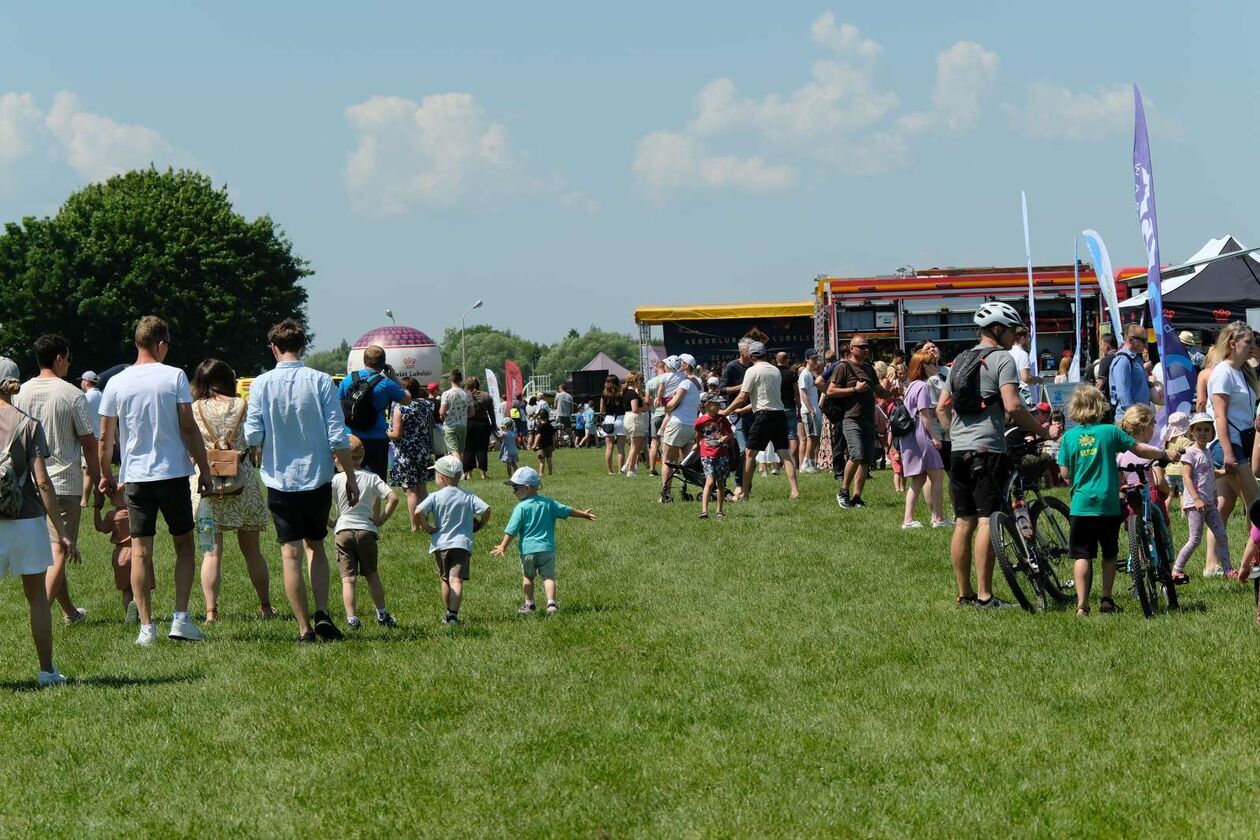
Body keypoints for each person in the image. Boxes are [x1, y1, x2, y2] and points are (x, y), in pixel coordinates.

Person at [98, 316, 213, 646]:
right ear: (160, 345)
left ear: (137, 342)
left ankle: (146, 628)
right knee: (184, 546)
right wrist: (204, 469)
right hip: (173, 472)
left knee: (140, 550)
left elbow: (106, 437)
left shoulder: (117, 382)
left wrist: (105, 474)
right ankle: (181, 618)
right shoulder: (174, 375)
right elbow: (189, 427)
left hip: (135, 477)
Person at [244, 318, 357, 644]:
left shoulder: (261, 384)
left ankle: (304, 627)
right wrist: (350, 477)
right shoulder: (322, 381)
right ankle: (322, 612)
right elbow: (338, 436)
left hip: (279, 478)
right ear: (303, 346)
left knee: (289, 554)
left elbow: (253, 433)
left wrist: (260, 448)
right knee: (316, 547)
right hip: (318, 476)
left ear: (273, 348)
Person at [936, 303, 1047, 608]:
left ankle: (965, 594)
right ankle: (985, 596)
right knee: (987, 520)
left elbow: (941, 407)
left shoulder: (959, 359)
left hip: (959, 450)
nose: (1015, 336)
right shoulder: (1003, 359)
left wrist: (954, 435)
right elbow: (1013, 406)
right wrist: (1043, 431)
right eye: (1012, 330)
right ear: (998, 330)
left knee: (963, 521)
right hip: (988, 450)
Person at [1058, 386, 1176, 615]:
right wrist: (1163, 454)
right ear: (1099, 407)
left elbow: (1064, 474)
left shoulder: (1068, 438)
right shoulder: (1110, 432)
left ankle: (1082, 605)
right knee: (1109, 554)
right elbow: (1139, 449)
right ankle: (1106, 599)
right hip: (1108, 503)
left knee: (1082, 555)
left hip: (1081, 506)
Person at [15, 334, 99, 625]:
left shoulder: (20, 393)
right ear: (60, 358)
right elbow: (90, 443)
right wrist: (99, 478)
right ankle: (42, 614)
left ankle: (70, 612)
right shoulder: (72, 394)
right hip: (63, 482)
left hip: (27, 485)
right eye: (69, 358)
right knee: (60, 549)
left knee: (51, 551)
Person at [0, 356, 73, 686]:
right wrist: (62, 531)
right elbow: (42, 482)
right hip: (26, 520)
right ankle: (46, 671)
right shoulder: (28, 424)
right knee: (37, 600)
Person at [189, 359, 274, 622]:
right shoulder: (242, 405)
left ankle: (211, 611)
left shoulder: (194, 409)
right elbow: (254, 438)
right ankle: (265, 605)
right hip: (243, 482)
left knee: (211, 552)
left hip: (206, 484)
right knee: (252, 551)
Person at [491, 466, 595, 615]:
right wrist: (583, 514)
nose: (513, 491)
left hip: (528, 551)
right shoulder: (548, 503)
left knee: (528, 577)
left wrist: (503, 546)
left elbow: (511, 530)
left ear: (526, 487)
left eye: (515, 488)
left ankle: (529, 605)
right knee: (548, 577)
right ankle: (552, 604)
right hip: (547, 549)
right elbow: (567, 510)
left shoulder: (520, 507)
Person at [332, 435, 399, 629]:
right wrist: (380, 520)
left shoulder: (336, 479)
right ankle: (382, 614)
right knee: (372, 575)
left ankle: (352, 619)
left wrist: (331, 522)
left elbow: (321, 505)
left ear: (341, 457)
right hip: (366, 530)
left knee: (348, 579)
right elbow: (393, 498)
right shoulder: (372, 478)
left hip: (343, 530)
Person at [721, 341, 800, 500]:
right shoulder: (775, 371)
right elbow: (765, 398)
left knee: (750, 454)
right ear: (765, 354)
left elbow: (742, 396)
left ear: (750, 356)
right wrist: (743, 410)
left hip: (763, 416)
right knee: (784, 454)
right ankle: (795, 491)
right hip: (779, 414)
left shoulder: (752, 370)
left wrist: (725, 411)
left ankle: (743, 493)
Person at [419, 454, 492, 625]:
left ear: (442, 478)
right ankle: (453, 614)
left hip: (441, 545)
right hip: (462, 544)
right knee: (456, 579)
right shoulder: (468, 495)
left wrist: (427, 526)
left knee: (445, 578)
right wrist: (480, 524)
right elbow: (486, 509)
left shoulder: (435, 496)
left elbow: (417, 512)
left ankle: (448, 612)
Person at [827, 336, 891, 509]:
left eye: (867, 347)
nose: (866, 349)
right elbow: (830, 390)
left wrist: (892, 392)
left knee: (866, 460)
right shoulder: (843, 367)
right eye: (862, 347)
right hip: (851, 418)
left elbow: (879, 392)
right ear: (852, 348)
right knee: (856, 454)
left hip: (868, 419)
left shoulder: (868, 368)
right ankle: (843, 491)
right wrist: (854, 389)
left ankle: (857, 497)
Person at [1208, 322, 1259, 527]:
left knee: (1225, 505)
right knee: (1255, 502)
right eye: (1248, 342)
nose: (1252, 346)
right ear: (1232, 343)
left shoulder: (1242, 371)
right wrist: (1229, 454)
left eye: (1254, 342)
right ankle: (1255, 557)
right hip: (1227, 445)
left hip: (1240, 442)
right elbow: (1220, 416)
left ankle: (1213, 559)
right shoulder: (1223, 373)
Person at [1172, 412, 1232, 584]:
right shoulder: (1189, 453)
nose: (1203, 433)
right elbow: (1187, 478)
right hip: (1195, 504)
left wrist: (1225, 472)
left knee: (1221, 535)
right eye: (1198, 430)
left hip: (1210, 504)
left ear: (1212, 432)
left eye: (1206, 430)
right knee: (1195, 540)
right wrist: (1196, 499)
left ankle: (1228, 570)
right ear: (1191, 432)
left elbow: (1209, 474)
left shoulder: (1207, 452)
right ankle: (1177, 570)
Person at [338, 345, 410, 478]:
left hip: (351, 438)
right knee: (376, 483)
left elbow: (339, 406)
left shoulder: (348, 379)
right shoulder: (386, 383)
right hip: (376, 438)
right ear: (383, 364)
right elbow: (407, 399)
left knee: (351, 479)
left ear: (364, 360)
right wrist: (393, 377)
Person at [899, 350, 948, 529]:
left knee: (918, 479)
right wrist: (935, 437)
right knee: (936, 475)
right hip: (921, 434)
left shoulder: (912, 385)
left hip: (910, 437)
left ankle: (908, 519)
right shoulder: (923, 386)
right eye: (933, 364)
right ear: (925, 367)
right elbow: (924, 413)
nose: (936, 367)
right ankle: (938, 518)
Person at [94, 484, 149, 623]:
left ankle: (129, 616)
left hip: (121, 554)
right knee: (141, 585)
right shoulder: (136, 511)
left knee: (126, 589)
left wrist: (96, 508)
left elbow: (99, 527)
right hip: (138, 550)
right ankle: (140, 609)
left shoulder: (113, 516)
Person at [388, 377, 435, 531]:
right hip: (423, 450)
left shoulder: (400, 407)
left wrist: (386, 432)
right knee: (422, 488)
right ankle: (424, 522)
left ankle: (415, 526)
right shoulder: (427, 405)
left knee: (410, 491)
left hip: (406, 453)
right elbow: (429, 427)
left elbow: (397, 434)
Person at [658, 356, 702, 502]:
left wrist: (666, 406)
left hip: (677, 424)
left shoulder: (684, 383)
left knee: (668, 460)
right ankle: (684, 491)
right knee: (685, 463)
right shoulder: (696, 383)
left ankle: (666, 494)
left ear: (685, 365)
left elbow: (673, 403)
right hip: (691, 425)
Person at [1109, 323, 1161, 419]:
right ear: (1131, 340)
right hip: (1130, 419)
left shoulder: (1136, 358)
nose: (1145, 344)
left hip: (1140, 416)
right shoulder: (1123, 360)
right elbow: (1123, 394)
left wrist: (1148, 384)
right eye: (1143, 340)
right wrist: (1133, 419)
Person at [695, 393, 734, 519]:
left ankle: (719, 510)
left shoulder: (722, 419)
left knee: (721, 483)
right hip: (707, 454)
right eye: (715, 404)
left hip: (721, 454)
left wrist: (725, 438)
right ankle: (704, 511)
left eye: (719, 404)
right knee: (710, 481)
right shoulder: (701, 421)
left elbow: (730, 433)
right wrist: (697, 446)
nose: (718, 406)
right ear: (707, 405)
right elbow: (699, 436)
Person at [462, 376, 495, 480]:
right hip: (483, 424)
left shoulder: (465, 396)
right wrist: (494, 425)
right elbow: (491, 413)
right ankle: (483, 474)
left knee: (468, 449)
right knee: (482, 449)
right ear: (478, 384)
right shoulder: (486, 396)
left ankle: (469, 474)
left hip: (469, 423)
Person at [439, 369, 474, 459]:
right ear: (461, 379)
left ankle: (459, 472)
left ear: (450, 380)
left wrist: (443, 417)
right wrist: (464, 416)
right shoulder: (467, 394)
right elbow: (472, 413)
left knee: (453, 451)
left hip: (450, 426)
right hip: (463, 426)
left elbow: (442, 412)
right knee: (460, 452)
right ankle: (460, 471)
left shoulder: (446, 394)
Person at [797, 350, 823, 473]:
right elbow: (803, 394)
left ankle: (810, 462)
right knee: (811, 437)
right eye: (812, 358)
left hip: (814, 409)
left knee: (814, 438)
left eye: (816, 358)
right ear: (807, 359)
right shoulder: (805, 374)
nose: (815, 360)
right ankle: (806, 464)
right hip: (809, 411)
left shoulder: (811, 374)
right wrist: (811, 409)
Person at [80, 369, 102, 506]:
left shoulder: (86, 398)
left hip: (91, 437)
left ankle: (85, 501)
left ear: (87, 381)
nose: (81, 383)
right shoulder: (102, 395)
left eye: (82, 380)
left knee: (88, 470)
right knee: (99, 469)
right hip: (102, 437)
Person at [622, 372, 648, 478]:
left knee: (634, 445)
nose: (640, 382)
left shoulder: (626, 392)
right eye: (639, 380)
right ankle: (631, 470)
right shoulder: (633, 394)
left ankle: (626, 466)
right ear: (634, 381)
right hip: (634, 419)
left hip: (627, 418)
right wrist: (645, 408)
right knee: (636, 446)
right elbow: (635, 409)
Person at [599, 375, 626, 475]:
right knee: (621, 447)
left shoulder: (604, 394)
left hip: (609, 419)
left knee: (609, 447)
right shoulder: (621, 392)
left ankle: (610, 471)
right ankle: (621, 470)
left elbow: (602, 410)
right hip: (621, 419)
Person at [532, 409, 556, 475]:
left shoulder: (540, 426)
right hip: (549, 446)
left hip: (541, 447)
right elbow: (553, 437)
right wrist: (553, 445)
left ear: (540, 416)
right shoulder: (550, 426)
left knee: (542, 461)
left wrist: (534, 445)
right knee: (549, 460)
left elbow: (538, 436)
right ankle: (550, 473)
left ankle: (541, 473)